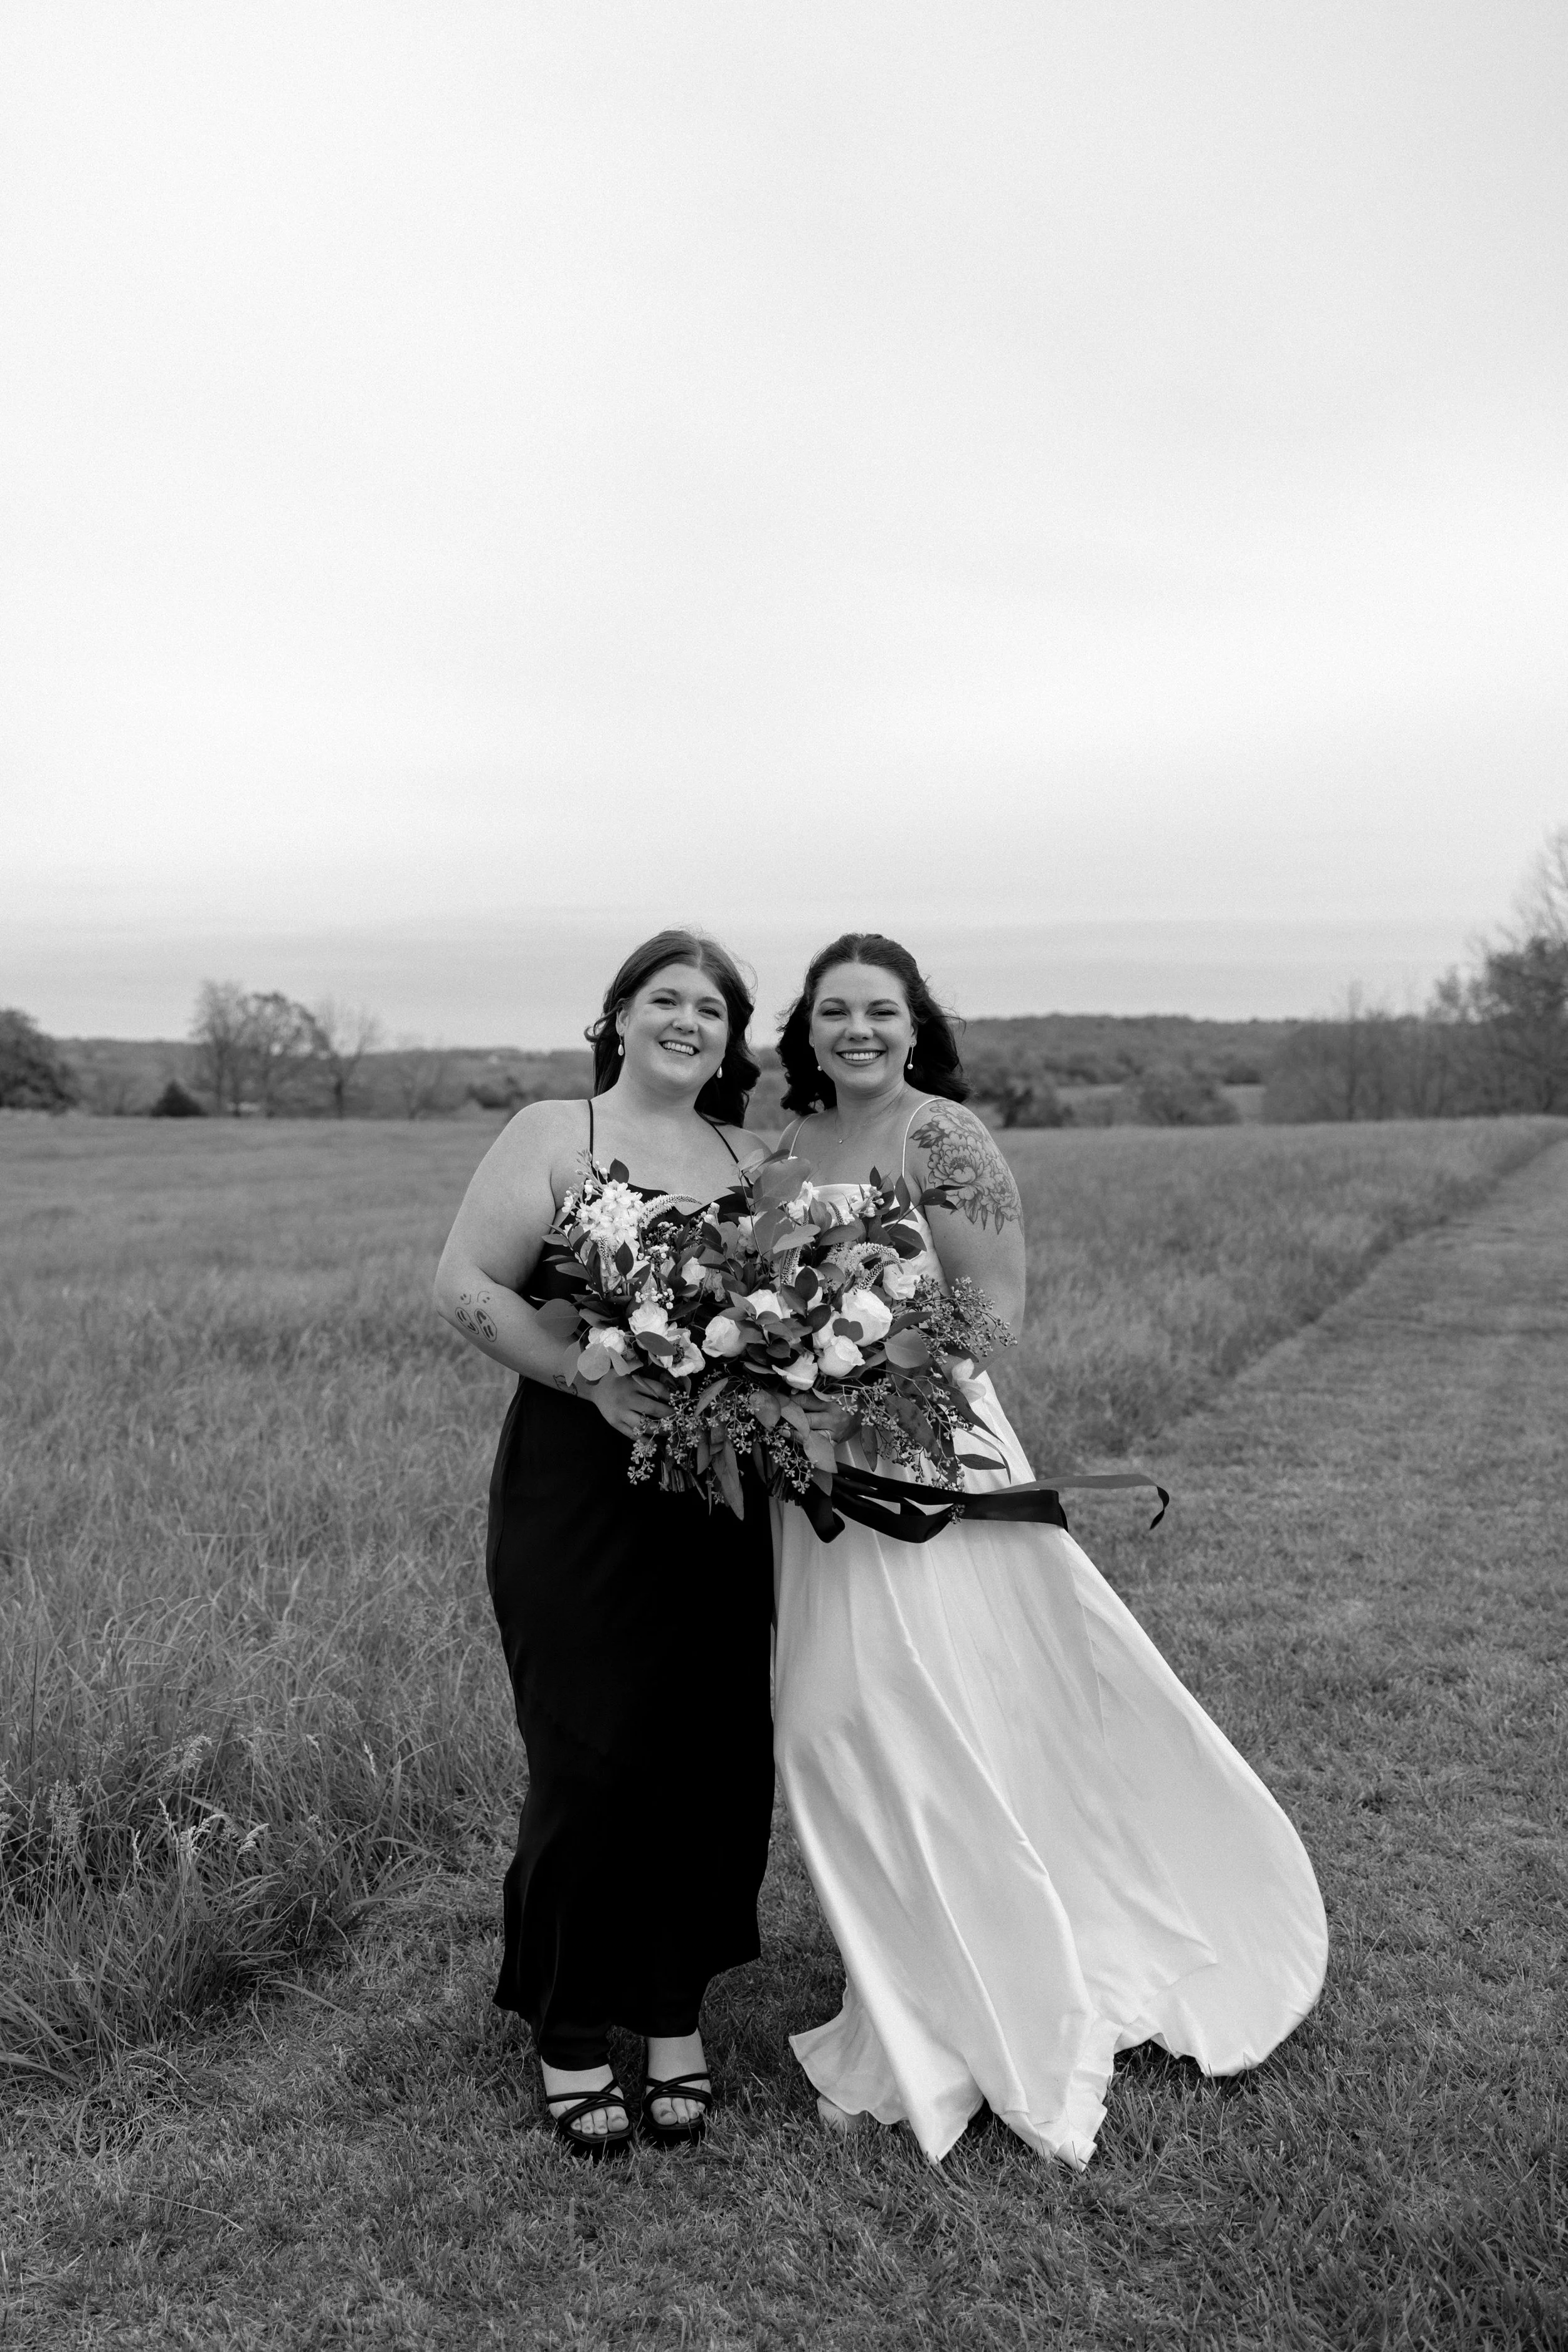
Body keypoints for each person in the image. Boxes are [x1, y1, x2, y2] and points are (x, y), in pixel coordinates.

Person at [769, 931, 1328, 2166]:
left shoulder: (944, 1139)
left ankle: (984, 1989)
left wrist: (860, 1397)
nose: (856, 1029)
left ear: (915, 1024)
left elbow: (992, 1312)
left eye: (879, 1010)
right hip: (811, 1480)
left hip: (927, 1453)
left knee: (939, 1707)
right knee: (832, 1726)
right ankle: (910, 1987)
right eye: (833, 1010)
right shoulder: (786, 1147)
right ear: (804, 1029)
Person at [433, 931, 776, 2158]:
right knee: (586, 1759)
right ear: (618, 1016)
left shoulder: (754, 1161)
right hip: (577, 1489)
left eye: (712, 1009)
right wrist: (584, 1372)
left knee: (711, 1756)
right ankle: (573, 2028)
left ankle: (672, 2010)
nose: (689, 1020)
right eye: (665, 998)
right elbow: (466, 1285)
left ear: (730, 1040)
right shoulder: (552, 1135)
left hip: (719, 1496)